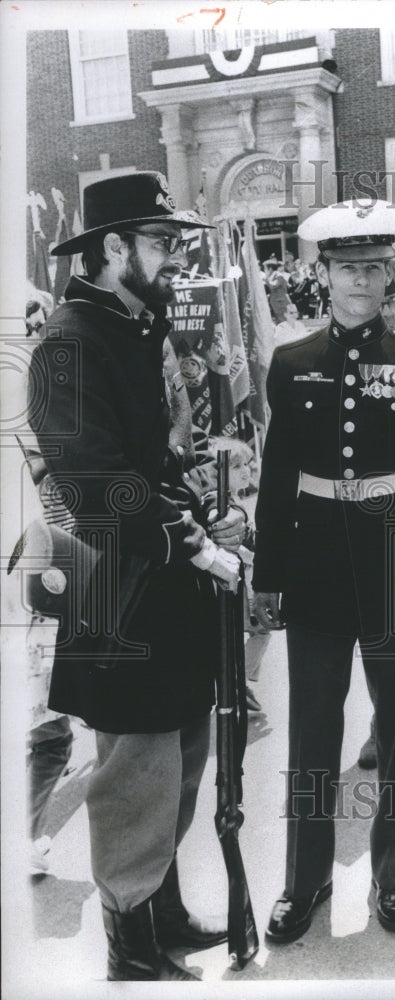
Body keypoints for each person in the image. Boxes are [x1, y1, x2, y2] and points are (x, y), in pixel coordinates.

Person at [28, 171, 247, 982]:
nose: (175, 257)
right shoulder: (68, 342)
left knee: (181, 764)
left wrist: (207, 511)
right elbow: (93, 487)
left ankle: (163, 913)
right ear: (111, 247)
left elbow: (154, 461)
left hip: (165, 592)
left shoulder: (132, 325)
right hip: (121, 596)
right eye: (161, 242)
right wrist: (190, 539)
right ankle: (132, 954)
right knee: (136, 780)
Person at [252, 199, 395, 943]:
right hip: (315, 566)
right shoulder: (290, 364)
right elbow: (278, 472)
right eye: (348, 267)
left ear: (390, 276)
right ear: (324, 273)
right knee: (312, 734)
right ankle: (304, 880)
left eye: (374, 267)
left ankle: (394, 875)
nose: (361, 280)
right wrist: (268, 576)